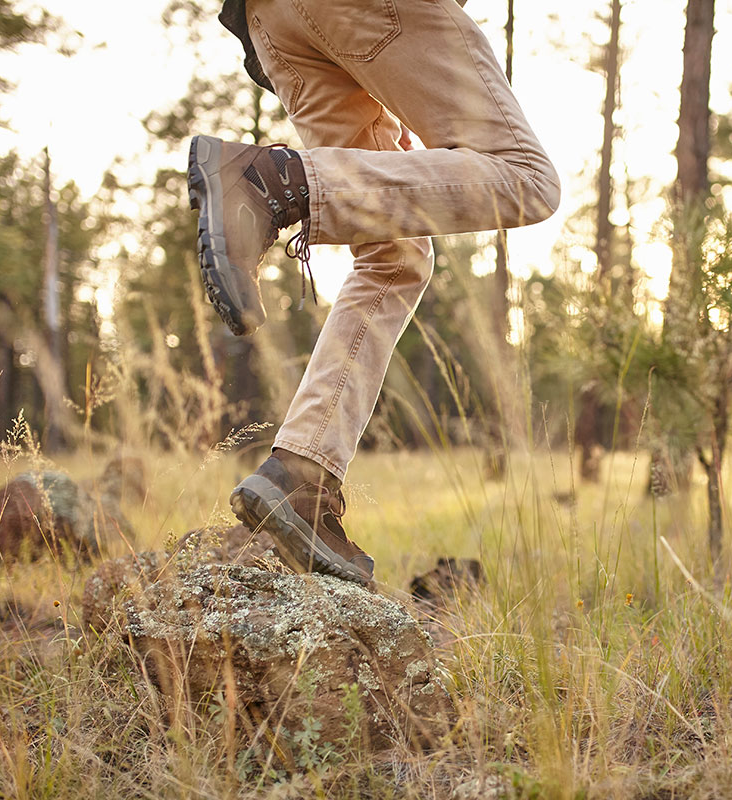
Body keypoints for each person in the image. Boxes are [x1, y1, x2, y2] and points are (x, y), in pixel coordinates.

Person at [189, 0, 560, 585]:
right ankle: (278, 183)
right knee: (525, 177)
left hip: (271, 23)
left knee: (394, 254)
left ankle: (301, 474)